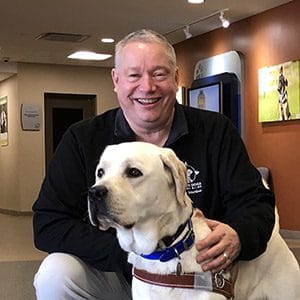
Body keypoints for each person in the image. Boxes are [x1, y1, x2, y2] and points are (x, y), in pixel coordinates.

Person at [32, 29, 275, 299]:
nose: (147, 87)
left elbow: (256, 203)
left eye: (158, 73)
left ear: (176, 77)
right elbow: (48, 224)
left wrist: (239, 235)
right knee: (55, 273)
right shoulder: (83, 139)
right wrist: (135, 257)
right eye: (134, 75)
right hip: (118, 271)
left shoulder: (214, 131)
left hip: (197, 277)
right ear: (116, 80)